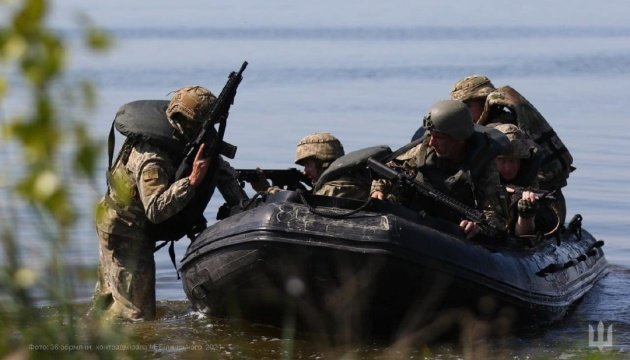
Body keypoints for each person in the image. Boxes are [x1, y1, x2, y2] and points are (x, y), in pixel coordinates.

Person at [92, 85, 247, 321]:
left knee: (110, 303)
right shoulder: (152, 158)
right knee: (136, 317)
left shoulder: (189, 138)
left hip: (124, 224)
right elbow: (155, 210)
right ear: (185, 121)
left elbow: (220, 170)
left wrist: (244, 206)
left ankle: (92, 340)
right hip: (124, 232)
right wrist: (192, 181)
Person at [372, 100, 508, 239]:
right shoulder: (423, 152)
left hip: (455, 233)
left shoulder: (482, 165)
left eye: (439, 137)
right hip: (416, 221)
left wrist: (478, 226)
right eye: (430, 135)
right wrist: (379, 189)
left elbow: (497, 217)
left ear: (459, 138)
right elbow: (389, 169)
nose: (431, 142)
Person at [448, 74, 573, 223]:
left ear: (484, 102)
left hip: (539, 207)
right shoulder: (490, 126)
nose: (462, 113)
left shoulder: (501, 133)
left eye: (467, 106)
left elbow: (505, 177)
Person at [491, 123, 559, 237]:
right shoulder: (482, 180)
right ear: (493, 161)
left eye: (513, 161)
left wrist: (526, 215)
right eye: (502, 161)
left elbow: (524, 237)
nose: (508, 168)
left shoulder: (530, 184)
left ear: (521, 161)